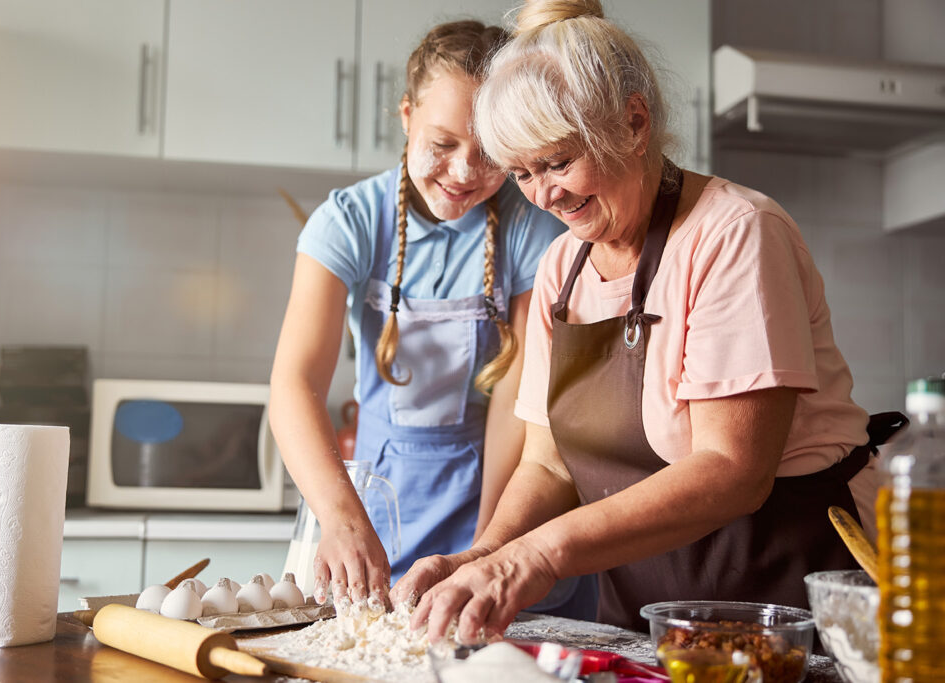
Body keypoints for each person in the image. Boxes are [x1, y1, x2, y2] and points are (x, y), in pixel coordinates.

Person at [392, 0, 906, 641]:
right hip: (649, 616)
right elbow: (548, 464)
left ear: (635, 122)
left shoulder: (735, 232)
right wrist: (486, 554)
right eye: (522, 173)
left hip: (788, 594)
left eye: (557, 162)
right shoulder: (562, 269)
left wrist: (540, 556)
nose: (544, 195)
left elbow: (731, 469)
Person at [269, 20, 569, 609]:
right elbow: (295, 382)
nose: (463, 173)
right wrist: (342, 519)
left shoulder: (530, 224)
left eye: (488, 154)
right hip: (376, 509)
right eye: (442, 144)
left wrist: (488, 549)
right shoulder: (349, 221)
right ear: (406, 115)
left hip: (500, 498)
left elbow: (519, 397)